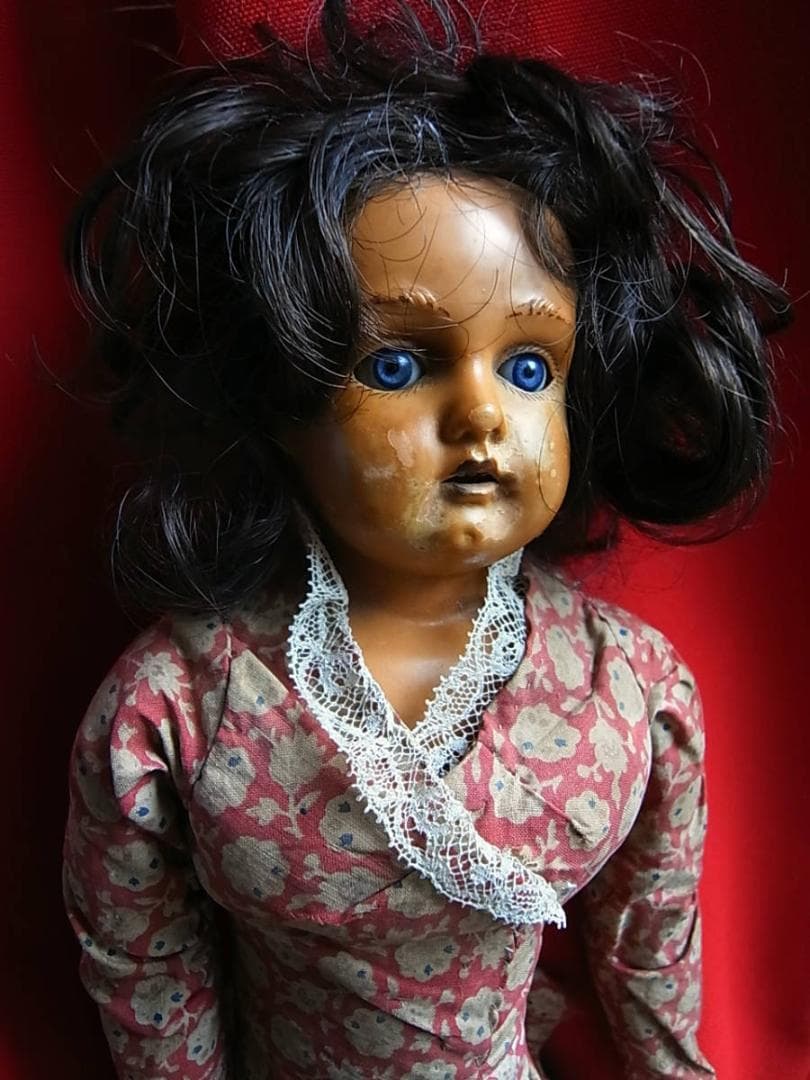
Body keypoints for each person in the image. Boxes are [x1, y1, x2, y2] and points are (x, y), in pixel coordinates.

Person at [62, 2, 788, 1076]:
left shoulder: (629, 689)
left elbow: (650, 959)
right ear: (279, 394)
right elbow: (147, 973)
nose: (484, 415)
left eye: (530, 367)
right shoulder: (175, 711)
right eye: (396, 364)